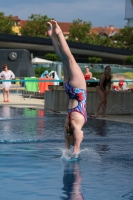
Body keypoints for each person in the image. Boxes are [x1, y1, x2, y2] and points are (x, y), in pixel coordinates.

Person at [47, 20, 87, 158]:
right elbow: (66, 151)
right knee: (63, 59)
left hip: (78, 92)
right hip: (69, 91)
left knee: (69, 58)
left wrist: (75, 156)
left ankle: (59, 33)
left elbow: (76, 148)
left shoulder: (76, 128)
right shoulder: (66, 128)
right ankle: (52, 36)